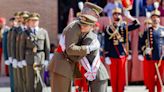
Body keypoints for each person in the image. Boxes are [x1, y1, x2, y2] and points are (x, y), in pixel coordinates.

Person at [48, 2, 103, 92]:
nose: (97, 17)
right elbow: (70, 49)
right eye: (95, 14)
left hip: (67, 65)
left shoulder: (82, 26)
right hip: (62, 65)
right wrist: (88, 48)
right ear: (87, 13)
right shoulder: (75, 27)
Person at [104, 7, 140, 92]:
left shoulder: (124, 26)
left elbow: (137, 25)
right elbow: (106, 42)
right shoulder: (109, 28)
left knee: (121, 77)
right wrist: (107, 55)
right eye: (115, 14)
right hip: (112, 55)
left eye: (119, 14)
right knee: (113, 77)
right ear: (113, 16)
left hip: (122, 55)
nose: (117, 16)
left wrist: (130, 17)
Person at [19, 12, 50, 92]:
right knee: (30, 81)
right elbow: (22, 47)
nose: (34, 22)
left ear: (38, 21)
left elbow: (47, 47)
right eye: (32, 20)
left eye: (36, 20)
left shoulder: (43, 32)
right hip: (29, 59)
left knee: (40, 80)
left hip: (40, 58)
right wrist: (22, 59)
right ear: (29, 22)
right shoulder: (25, 33)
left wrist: (47, 59)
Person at [139, 9, 164, 92]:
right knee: (151, 80)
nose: (155, 19)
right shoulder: (147, 31)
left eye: (157, 17)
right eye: (153, 17)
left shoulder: (163, 30)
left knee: (160, 79)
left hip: (161, 58)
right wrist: (146, 50)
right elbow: (141, 43)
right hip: (151, 58)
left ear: (159, 19)